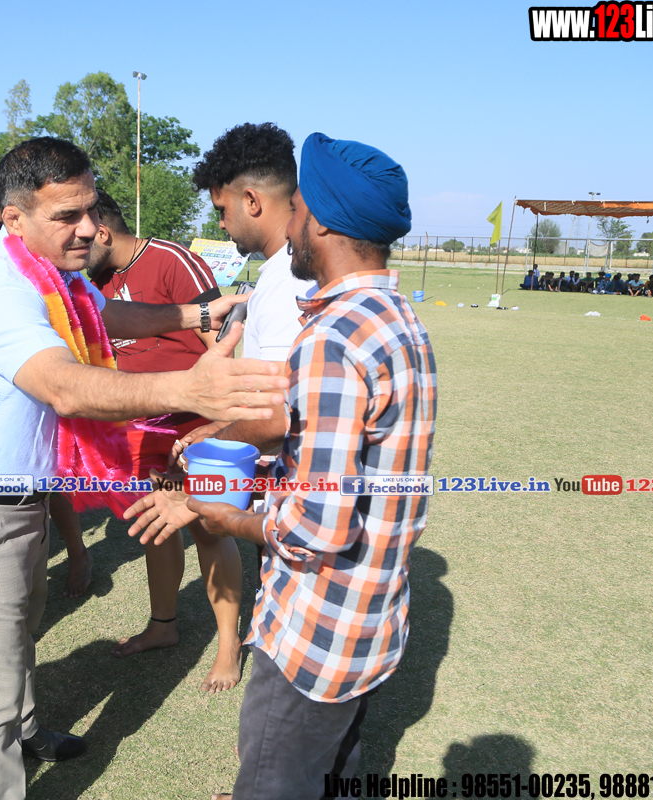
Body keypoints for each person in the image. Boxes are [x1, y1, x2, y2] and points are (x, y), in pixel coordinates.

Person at [0, 137, 286, 800]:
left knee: (16, 643)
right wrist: (188, 389)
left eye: (90, 209)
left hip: (20, 504)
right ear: (13, 218)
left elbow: (103, 311)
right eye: (67, 216)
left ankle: (29, 732)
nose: (89, 228)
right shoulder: (0, 290)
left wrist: (196, 313)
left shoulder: (50, 268)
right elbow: (62, 386)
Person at [127, 133, 434, 800]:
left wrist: (219, 516)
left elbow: (318, 528)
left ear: (318, 221)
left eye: (297, 208)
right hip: (369, 621)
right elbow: (318, 441)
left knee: (274, 781)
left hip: (314, 636)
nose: (288, 221)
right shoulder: (396, 319)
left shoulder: (335, 338)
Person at [86, 188, 243, 692]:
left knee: (210, 526)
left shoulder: (172, 259)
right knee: (157, 523)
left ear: (102, 231)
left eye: (84, 235)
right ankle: (163, 626)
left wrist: (219, 423)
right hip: (143, 427)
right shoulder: (95, 282)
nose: (77, 245)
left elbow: (219, 342)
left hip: (195, 423)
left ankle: (228, 645)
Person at [179, 122, 316, 571]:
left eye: (222, 210)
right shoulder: (289, 269)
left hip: (299, 502)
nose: (221, 223)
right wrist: (221, 422)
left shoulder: (286, 281)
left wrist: (215, 440)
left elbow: (278, 412)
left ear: (252, 201)